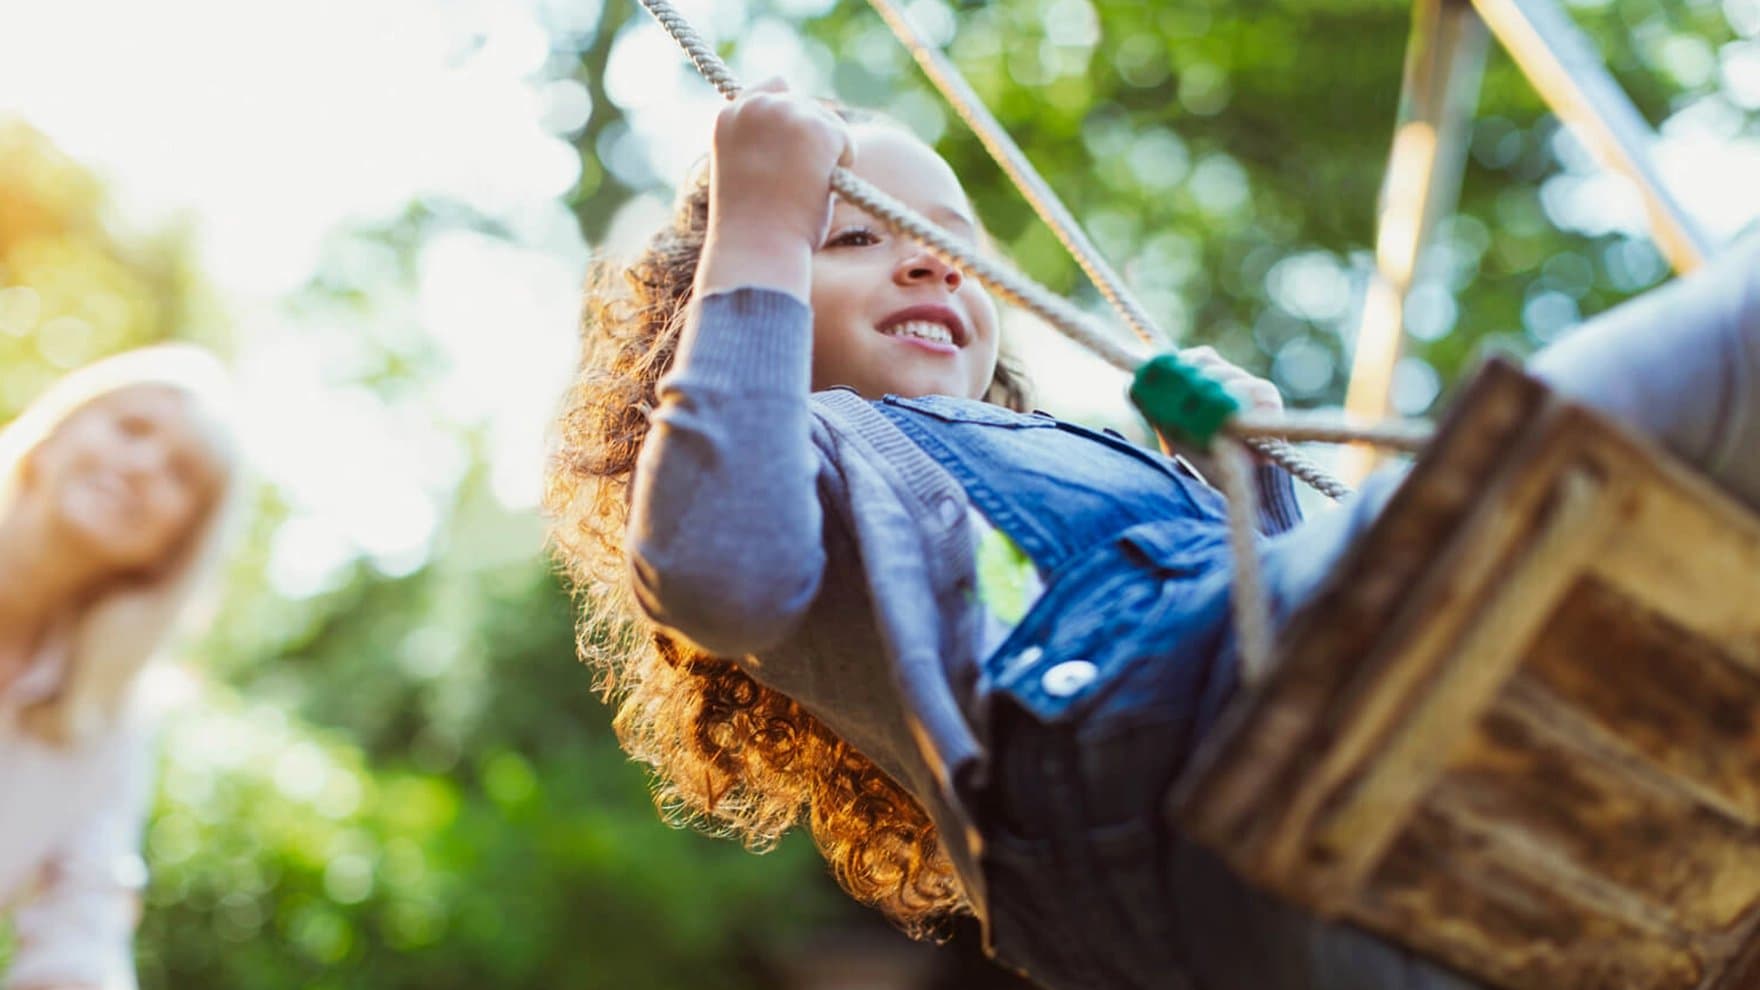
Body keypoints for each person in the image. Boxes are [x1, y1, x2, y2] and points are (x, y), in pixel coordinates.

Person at [546, 79, 1760, 990]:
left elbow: (1267, 597)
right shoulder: (808, 455)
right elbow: (712, 569)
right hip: (1183, 791)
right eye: (848, 233)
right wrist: (754, 212)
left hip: (1359, 885)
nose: (925, 258)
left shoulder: (1072, 457)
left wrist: (1251, 476)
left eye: (951, 242)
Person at [0, 346, 240, 990]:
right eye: (130, 428)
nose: (140, 467)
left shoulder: (107, 722)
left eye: (181, 474)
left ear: (172, 549)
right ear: (54, 436)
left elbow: (82, 936)